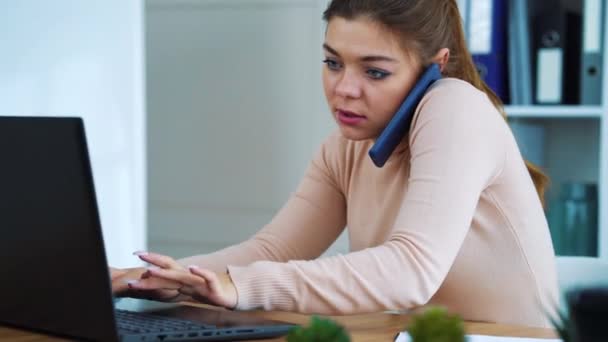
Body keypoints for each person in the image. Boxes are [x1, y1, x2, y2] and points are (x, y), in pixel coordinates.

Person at [112, 0, 559, 327]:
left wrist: (238, 285)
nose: (344, 89)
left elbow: (410, 271)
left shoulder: (455, 107)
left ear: (435, 66)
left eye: (374, 71)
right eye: (333, 62)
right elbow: (272, 251)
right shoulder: (345, 147)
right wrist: (160, 279)